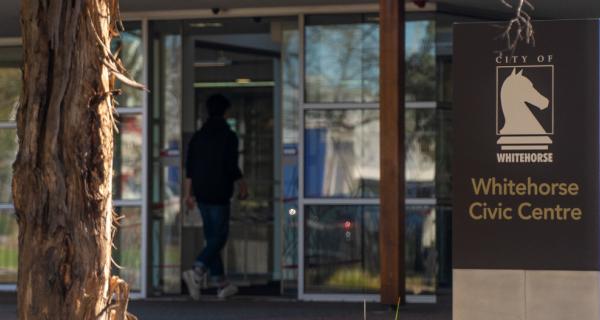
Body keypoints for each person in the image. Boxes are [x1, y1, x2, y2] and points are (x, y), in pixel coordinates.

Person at [182, 94, 248, 300]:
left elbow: (189, 169)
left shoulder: (198, 137)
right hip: (220, 191)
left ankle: (221, 283)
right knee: (219, 237)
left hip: (201, 191)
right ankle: (198, 270)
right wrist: (242, 185)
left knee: (212, 237)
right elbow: (231, 165)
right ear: (226, 112)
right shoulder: (229, 136)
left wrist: (188, 194)